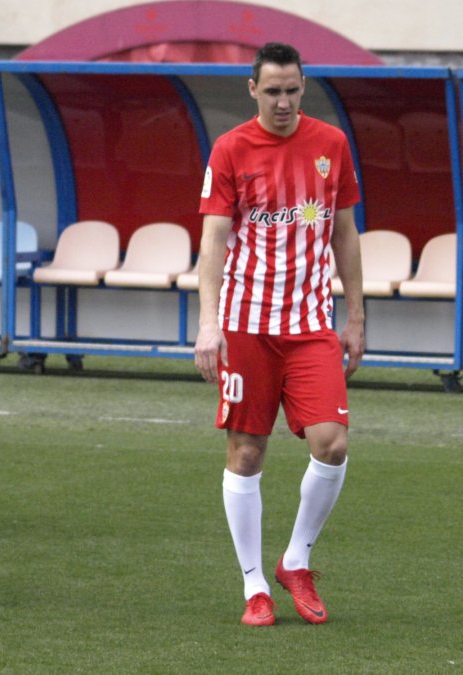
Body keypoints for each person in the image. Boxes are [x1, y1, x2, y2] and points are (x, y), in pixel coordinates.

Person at [194, 42, 364, 627]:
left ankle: (296, 560)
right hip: (245, 326)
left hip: (312, 324)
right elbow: (214, 242)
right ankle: (254, 587)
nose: (285, 101)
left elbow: (345, 233)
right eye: (273, 91)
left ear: (303, 85)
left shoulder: (331, 146)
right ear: (252, 90)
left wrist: (357, 316)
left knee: (333, 443)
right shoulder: (231, 149)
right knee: (246, 453)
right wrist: (209, 323)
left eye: (293, 89)